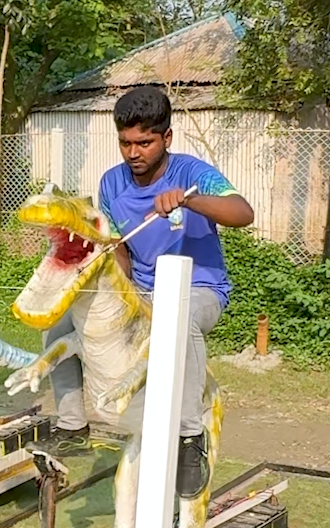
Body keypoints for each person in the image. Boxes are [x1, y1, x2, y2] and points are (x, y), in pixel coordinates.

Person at [50, 84, 254, 497]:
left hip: (200, 290)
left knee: (176, 319)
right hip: (141, 290)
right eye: (125, 142)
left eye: (144, 142)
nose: (133, 152)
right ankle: (72, 424)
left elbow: (243, 213)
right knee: (60, 321)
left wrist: (190, 201)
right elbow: (122, 250)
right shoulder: (111, 183)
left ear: (167, 139)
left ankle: (189, 438)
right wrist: (107, 270)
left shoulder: (192, 173)